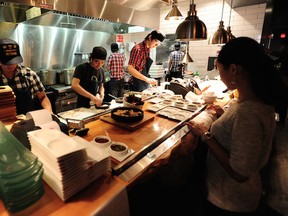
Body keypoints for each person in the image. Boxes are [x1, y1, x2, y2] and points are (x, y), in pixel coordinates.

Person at [186, 37, 287, 215]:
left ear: (233, 69)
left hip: (229, 201)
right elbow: (242, 136)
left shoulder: (248, 111)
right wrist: (224, 115)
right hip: (240, 196)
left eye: (219, 68)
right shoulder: (259, 102)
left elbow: (240, 173)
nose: (220, 75)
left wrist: (206, 135)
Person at [0, 38, 53, 115]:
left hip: (28, 121)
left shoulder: (29, 74)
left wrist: (49, 112)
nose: (10, 65)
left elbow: (43, 97)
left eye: (13, 61)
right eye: (6, 62)